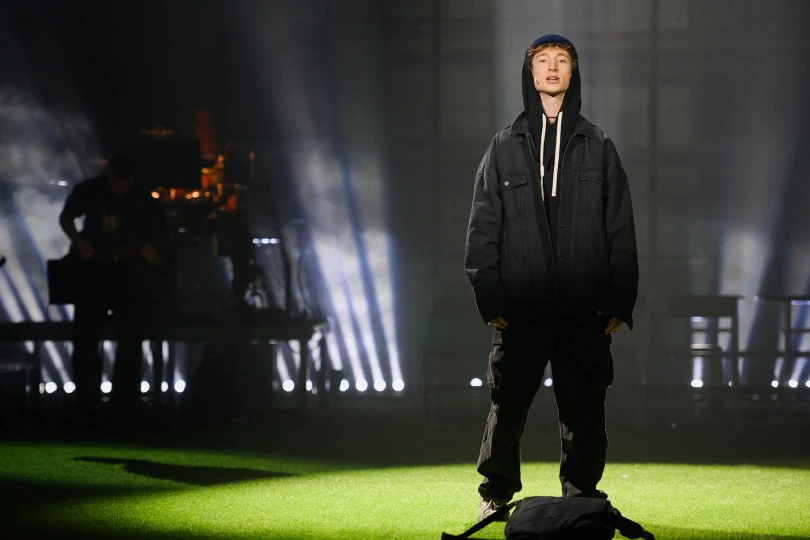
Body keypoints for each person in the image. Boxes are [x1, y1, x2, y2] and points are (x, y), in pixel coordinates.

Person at [464, 34, 639, 521]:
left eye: (562, 60)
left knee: (584, 409)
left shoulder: (598, 146)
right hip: (521, 306)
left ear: (573, 71)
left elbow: (620, 227)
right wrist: (489, 294)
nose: (552, 68)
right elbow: (483, 227)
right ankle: (495, 492)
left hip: (584, 308)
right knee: (508, 404)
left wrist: (619, 298)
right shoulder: (504, 146)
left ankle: (581, 495)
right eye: (543, 61)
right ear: (531, 72)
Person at [59, 153, 167, 420]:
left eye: (125, 182)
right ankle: (86, 401)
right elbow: (66, 217)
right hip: (93, 274)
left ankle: (125, 402)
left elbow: (159, 241)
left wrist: (153, 255)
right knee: (86, 338)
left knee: (130, 338)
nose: (121, 187)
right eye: (117, 181)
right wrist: (79, 243)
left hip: (128, 277)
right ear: (108, 176)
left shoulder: (144, 199)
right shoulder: (89, 190)